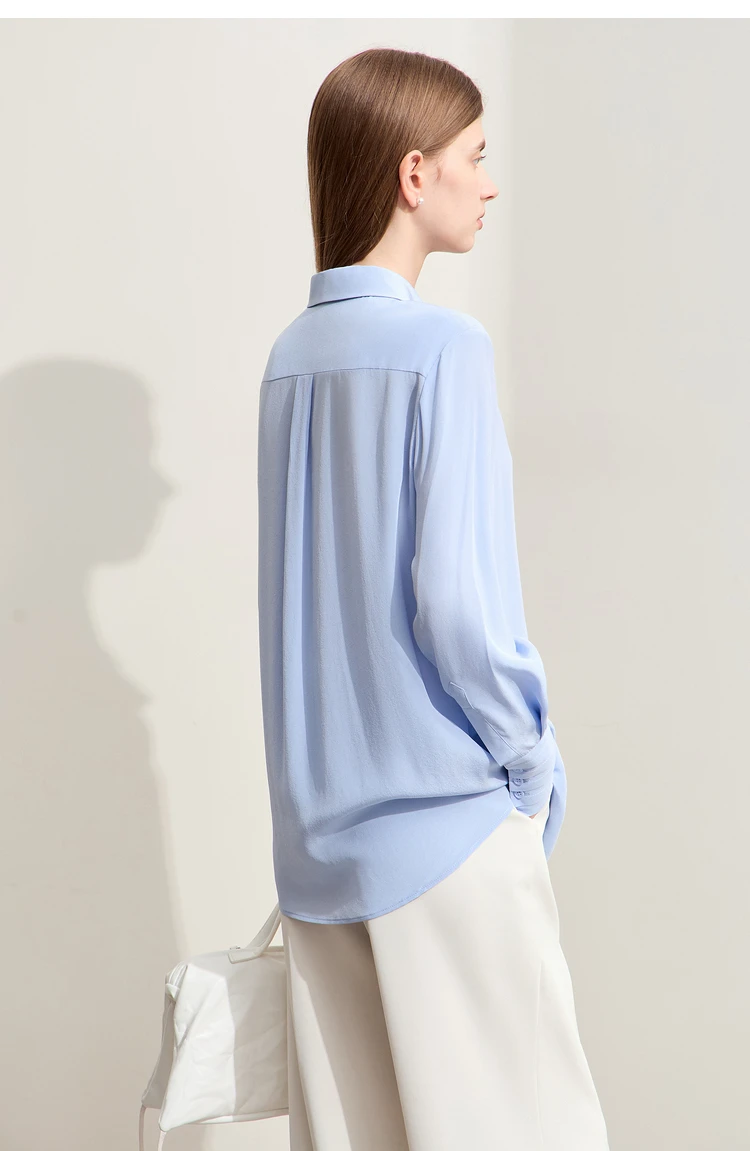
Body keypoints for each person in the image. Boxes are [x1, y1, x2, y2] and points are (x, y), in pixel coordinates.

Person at [256, 45, 610, 1151]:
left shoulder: (289, 360)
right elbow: (456, 606)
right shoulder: (444, 348)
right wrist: (530, 760)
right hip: (449, 835)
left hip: (319, 858)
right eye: (476, 156)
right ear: (416, 174)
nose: (490, 183)